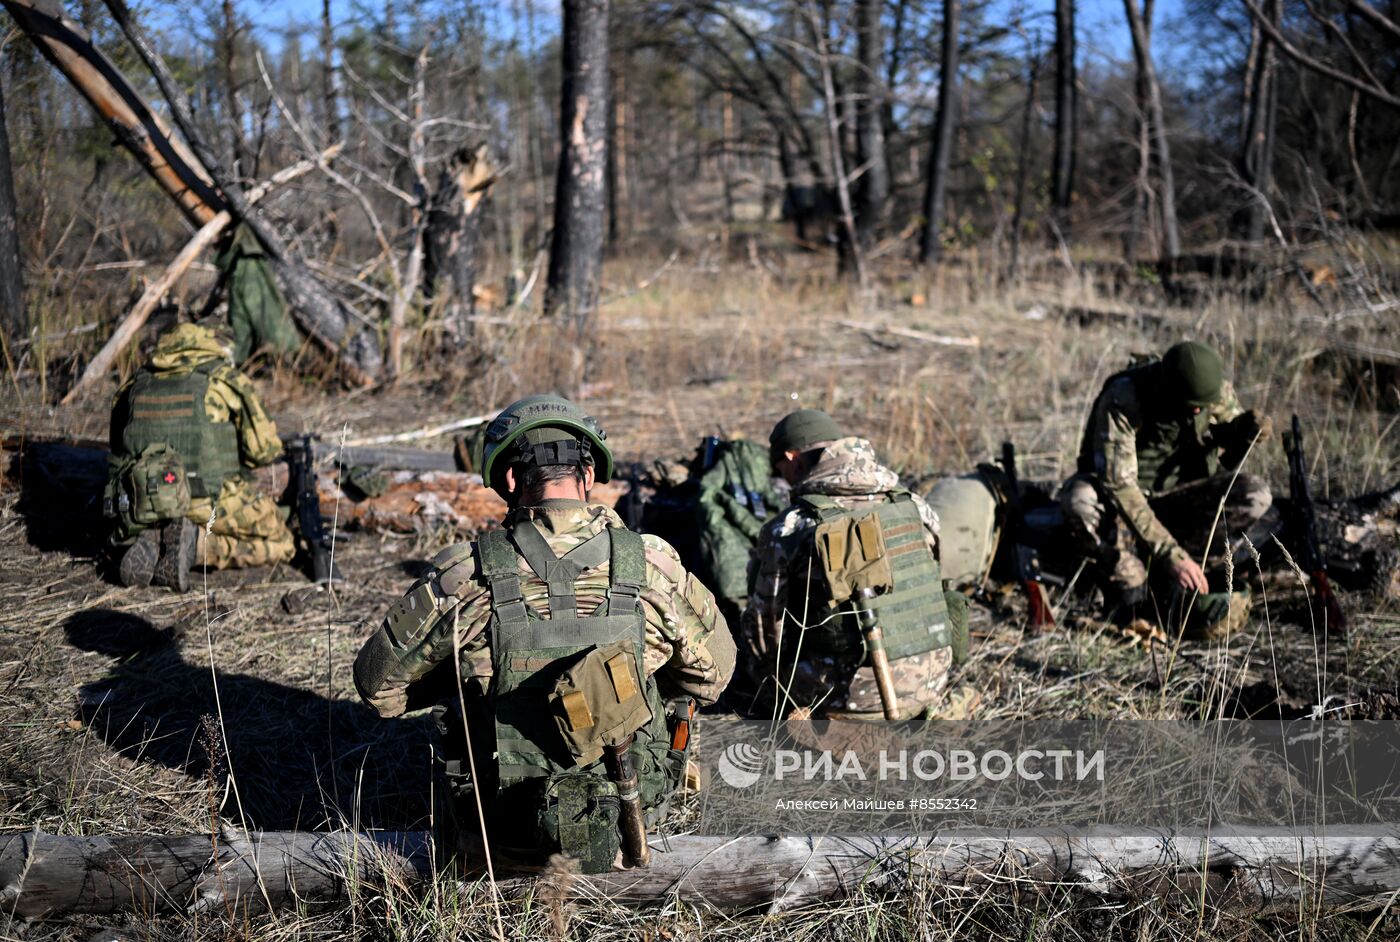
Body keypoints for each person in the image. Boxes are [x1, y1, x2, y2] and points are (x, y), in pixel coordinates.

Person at [353, 395, 735, 873]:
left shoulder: (464, 574)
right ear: (589, 477)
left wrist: (467, 675)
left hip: (499, 838)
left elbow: (378, 689)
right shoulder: (653, 564)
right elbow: (713, 679)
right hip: (631, 826)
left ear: (510, 479)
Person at [743, 409, 968, 720]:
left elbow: (766, 628)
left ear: (792, 458)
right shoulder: (915, 506)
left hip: (844, 703)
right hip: (929, 685)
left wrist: (770, 687)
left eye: (781, 469)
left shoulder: (791, 527)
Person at [1060, 340, 1272, 635]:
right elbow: (1118, 485)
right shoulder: (1126, 396)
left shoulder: (1214, 392)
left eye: (1202, 406)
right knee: (1079, 499)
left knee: (1256, 495)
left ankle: (1196, 565)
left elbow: (1226, 456)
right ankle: (1131, 577)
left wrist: (1245, 435)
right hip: (1123, 509)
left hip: (1179, 501)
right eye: (1191, 407)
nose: (1198, 410)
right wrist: (1169, 554)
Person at [106, 322, 295, 591]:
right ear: (213, 344)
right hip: (208, 503)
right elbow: (263, 452)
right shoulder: (224, 379)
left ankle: (152, 534)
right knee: (284, 542)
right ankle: (197, 546)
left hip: (142, 502)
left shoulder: (135, 383)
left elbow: (117, 450)